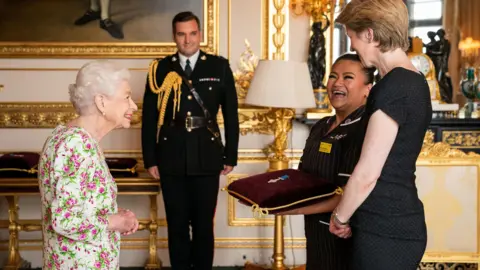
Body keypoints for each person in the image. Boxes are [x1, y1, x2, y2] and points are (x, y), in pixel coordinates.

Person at [330, 0, 432, 269]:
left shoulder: (396, 86)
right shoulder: (413, 81)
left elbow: (368, 172)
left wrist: (340, 217)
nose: (352, 46)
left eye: (352, 37)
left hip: (385, 226)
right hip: (392, 220)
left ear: (370, 34)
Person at [141, 11, 239, 270]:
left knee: (204, 225)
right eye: (181, 34)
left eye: (192, 33)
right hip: (170, 156)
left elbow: (231, 115)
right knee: (177, 225)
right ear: (174, 36)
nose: (187, 40)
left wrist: (231, 155)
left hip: (207, 155)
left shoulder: (218, 66)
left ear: (200, 35)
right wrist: (150, 158)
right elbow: (149, 118)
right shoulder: (160, 68)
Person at [38, 60, 139, 269]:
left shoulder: (76, 139)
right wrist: (114, 222)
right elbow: (65, 220)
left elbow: (82, 203)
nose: (134, 106)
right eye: (127, 97)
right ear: (101, 102)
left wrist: (116, 215)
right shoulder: (76, 144)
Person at [278, 53, 375, 270]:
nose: (337, 83)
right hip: (315, 232)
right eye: (333, 76)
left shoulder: (364, 129)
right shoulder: (321, 126)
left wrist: (292, 209)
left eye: (348, 77)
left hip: (345, 234)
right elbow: (303, 177)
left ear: (367, 89)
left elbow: (348, 192)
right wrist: (271, 190)